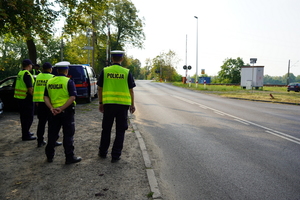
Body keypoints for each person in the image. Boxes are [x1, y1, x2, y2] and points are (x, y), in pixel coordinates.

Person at [97, 50, 136, 163]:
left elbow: (99, 88)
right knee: (120, 131)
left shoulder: (105, 71)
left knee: (106, 129)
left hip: (108, 105)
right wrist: (132, 105)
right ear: (122, 59)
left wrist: (100, 103)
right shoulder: (126, 72)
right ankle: (115, 155)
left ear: (111, 58)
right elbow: (131, 90)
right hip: (123, 106)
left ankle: (103, 152)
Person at [44, 65, 81, 164]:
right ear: (66, 71)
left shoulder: (50, 81)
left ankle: (49, 156)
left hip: (53, 113)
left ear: (57, 70)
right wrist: (61, 108)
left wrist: (51, 108)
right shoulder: (68, 81)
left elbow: (46, 97)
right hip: (66, 112)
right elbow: (72, 97)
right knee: (68, 135)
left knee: (52, 134)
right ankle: (69, 157)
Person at [33, 62, 62, 147]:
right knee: (52, 123)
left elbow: (35, 88)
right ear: (50, 69)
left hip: (40, 103)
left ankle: (40, 141)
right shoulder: (52, 77)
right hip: (49, 104)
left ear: (42, 69)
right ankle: (53, 140)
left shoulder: (38, 77)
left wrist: (36, 101)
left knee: (41, 123)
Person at [14, 59, 36, 141]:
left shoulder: (20, 73)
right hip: (26, 99)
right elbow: (30, 88)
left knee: (23, 117)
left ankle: (26, 132)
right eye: (31, 65)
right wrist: (34, 97)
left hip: (20, 98)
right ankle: (26, 135)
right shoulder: (27, 74)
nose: (31, 66)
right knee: (29, 117)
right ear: (29, 65)